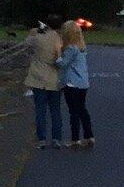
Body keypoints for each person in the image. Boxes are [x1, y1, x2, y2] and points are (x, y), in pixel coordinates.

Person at [24, 19, 63, 148]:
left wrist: (33, 31)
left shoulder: (38, 38)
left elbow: (27, 43)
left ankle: (41, 139)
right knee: (55, 111)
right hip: (54, 79)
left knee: (40, 110)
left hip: (38, 79)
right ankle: (56, 139)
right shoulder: (59, 39)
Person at [57, 20, 94, 149]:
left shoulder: (71, 48)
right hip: (83, 83)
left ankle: (75, 139)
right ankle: (89, 136)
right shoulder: (82, 49)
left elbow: (62, 63)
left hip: (72, 84)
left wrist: (56, 56)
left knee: (74, 112)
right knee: (82, 110)